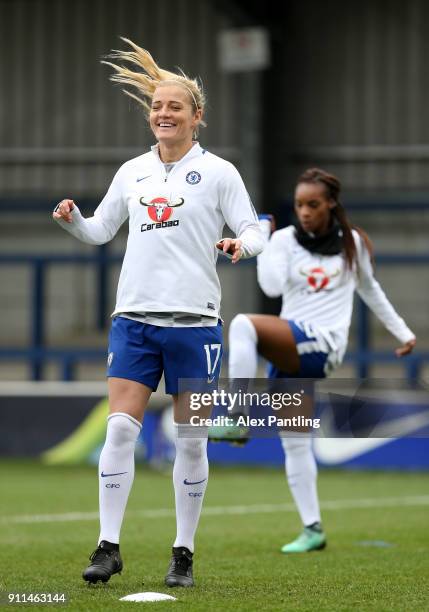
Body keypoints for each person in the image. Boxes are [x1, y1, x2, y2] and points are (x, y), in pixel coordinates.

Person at [53, 37, 263, 587]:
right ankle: (107, 546)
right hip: (135, 321)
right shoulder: (131, 173)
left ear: (197, 116)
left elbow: (254, 227)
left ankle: (183, 553)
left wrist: (245, 246)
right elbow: (100, 232)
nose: (163, 113)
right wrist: (73, 220)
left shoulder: (219, 173)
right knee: (120, 430)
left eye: (175, 106)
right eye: (157, 106)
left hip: (196, 324)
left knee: (191, 439)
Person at [210, 167, 416, 553]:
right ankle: (313, 528)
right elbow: (271, 286)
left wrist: (403, 333)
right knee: (296, 442)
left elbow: (371, 291)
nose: (304, 211)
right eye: (299, 204)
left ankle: (236, 416)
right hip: (290, 347)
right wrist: (267, 240)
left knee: (242, 325)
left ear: (331, 205)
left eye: (313, 205)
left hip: (323, 345)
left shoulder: (353, 242)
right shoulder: (285, 239)